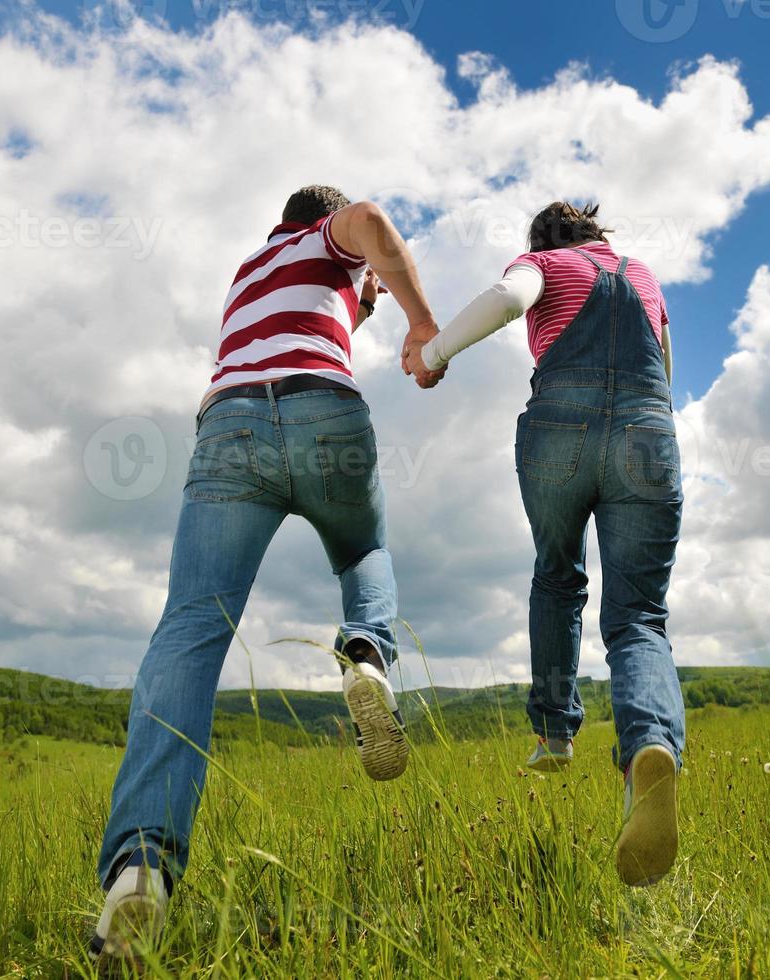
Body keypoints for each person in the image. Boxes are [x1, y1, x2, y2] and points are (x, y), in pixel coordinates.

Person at [92, 185, 443, 963]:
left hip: (230, 428)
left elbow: (308, 314)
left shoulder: (251, 267)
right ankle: (367, 656)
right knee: (363, 552)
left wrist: (359, 299)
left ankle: (139, 867)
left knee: (188, 633)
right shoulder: (328, 232)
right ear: (320, 216)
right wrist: (417, 320)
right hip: (324, 416)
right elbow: (374, 225)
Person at [404, 201, 686, 887]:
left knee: (558, 578)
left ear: (544, 241)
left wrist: (433, 353)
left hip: (560, 426)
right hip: (648, 433)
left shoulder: (543, 264)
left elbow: (508, 299)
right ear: (597, 236)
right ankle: (649, 745)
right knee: (639, 619)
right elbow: (667, 370)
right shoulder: (642, 275)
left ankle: (557, 734)